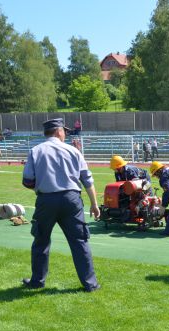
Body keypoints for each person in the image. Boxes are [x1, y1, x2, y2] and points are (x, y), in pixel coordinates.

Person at [21, 118, 100, 292]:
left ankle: (37, 281)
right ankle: (90, 284)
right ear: (58, 131)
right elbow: (87, 180)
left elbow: (27, 181)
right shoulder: (73, 151)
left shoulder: (35, 151)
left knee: (41, 241)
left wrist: (42, 186)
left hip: (46, 200)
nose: (66, 133)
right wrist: (94, 204)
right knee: (80, 241)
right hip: (71, 200)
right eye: (64, 130)